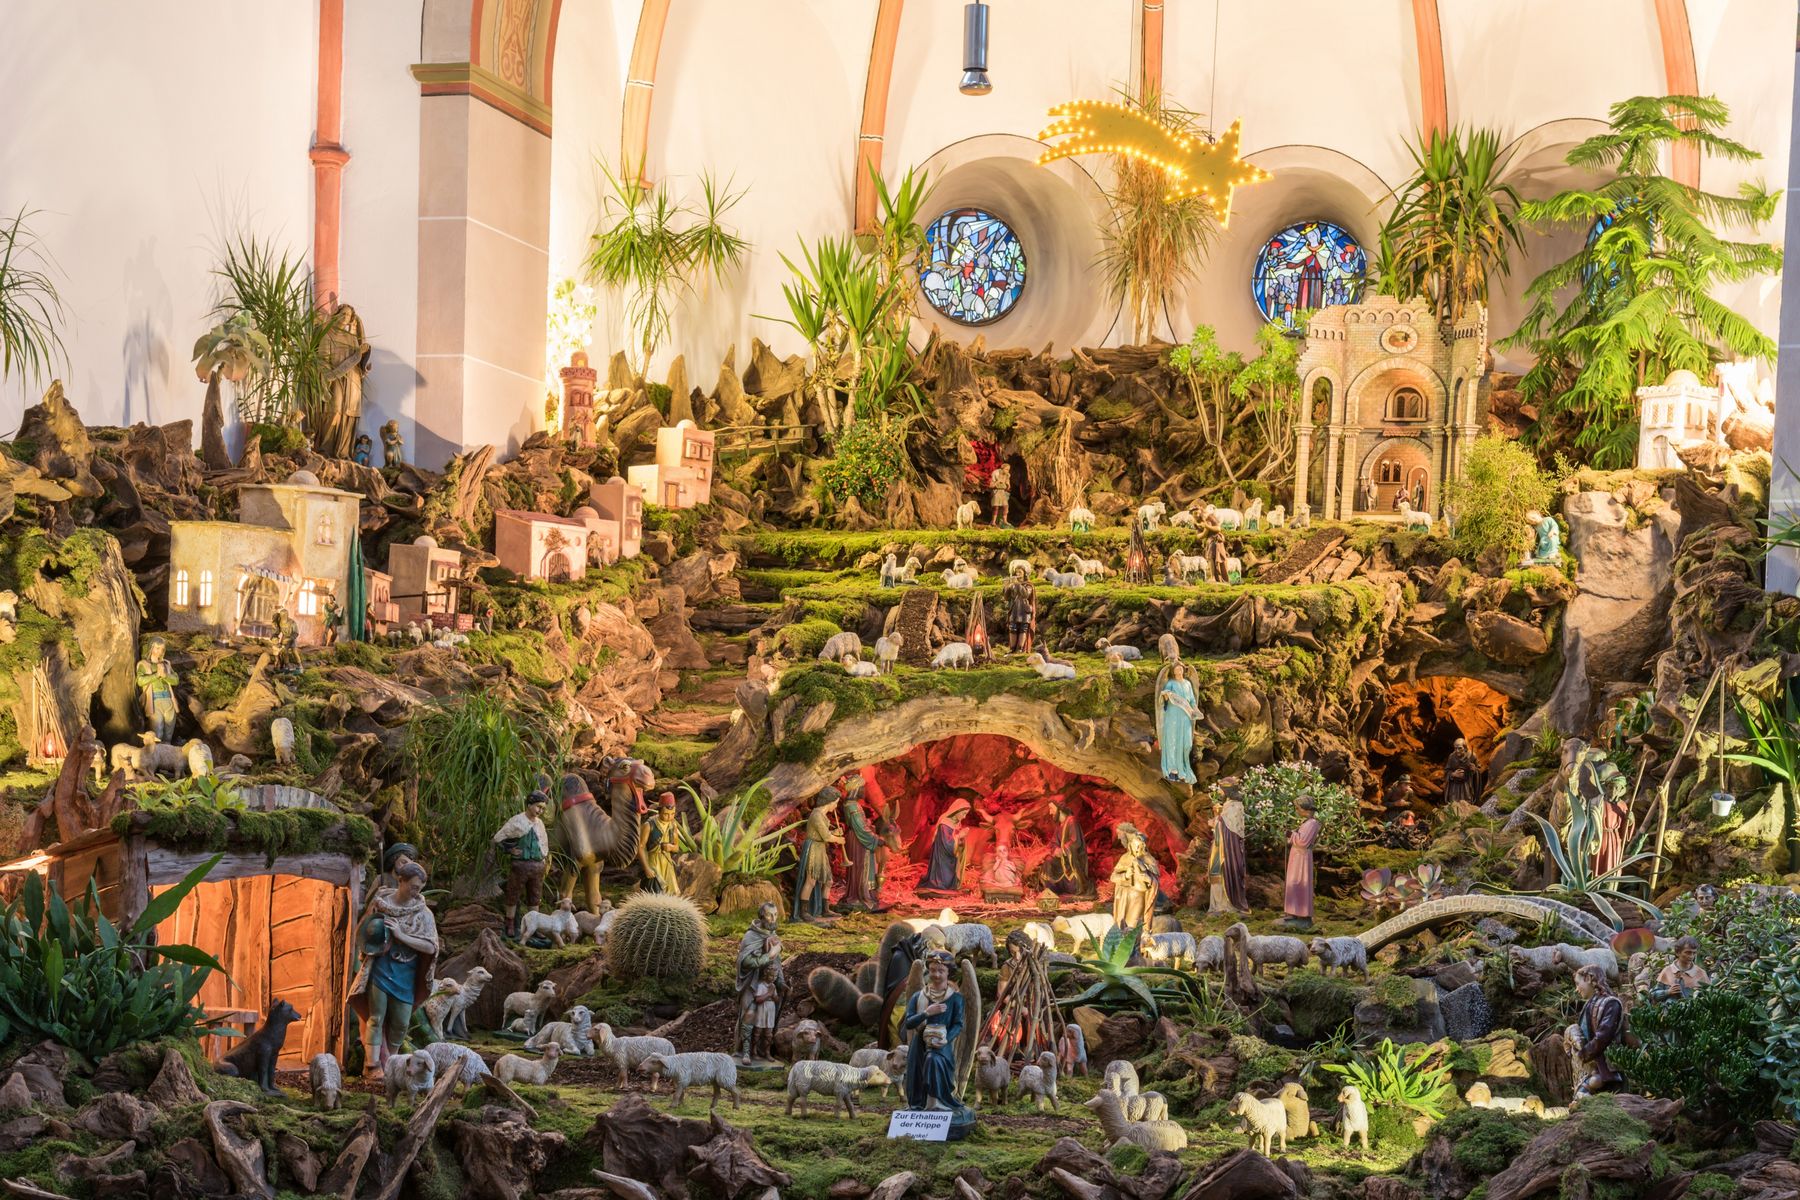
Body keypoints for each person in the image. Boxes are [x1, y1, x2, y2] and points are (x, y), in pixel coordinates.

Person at [349, 860, 438, 1072]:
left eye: (419, 889)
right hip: (381, 966)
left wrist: (401, 935)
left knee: (401, 1022)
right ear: (400, 880)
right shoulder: (380, 903)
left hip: (406, 971)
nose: (416, 893)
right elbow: (365, 931)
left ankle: (392, 1062)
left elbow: (430, 946)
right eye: (413, 887)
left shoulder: (423, 914)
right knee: (375, 1017)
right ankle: (372, 1065)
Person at [902, 950, 968, 1113]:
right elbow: (909, 1023)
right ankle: (920, 1104)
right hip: (920, 1044)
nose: (936, 975)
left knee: (933, 1060)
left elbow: (958, 1024)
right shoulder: (918, 996)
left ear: (948, 972)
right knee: (918, 1071)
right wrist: (926, 1013)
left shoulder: (956, 999)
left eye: (941, 971)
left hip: (941, 1044)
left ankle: (937, 1103)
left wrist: (946, 1039)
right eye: (932, 970)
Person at [493, 791, 550, 940]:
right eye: (538, 807)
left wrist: (543, 859)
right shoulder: (517, 821)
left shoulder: (540, 824)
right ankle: (510, 924)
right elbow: (499, 838)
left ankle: (534, 926)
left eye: (543, 808)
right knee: (513, 894)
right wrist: (510, 849)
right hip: (520, 865)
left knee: (535, 897)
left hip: (537, 866)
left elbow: (543, 843)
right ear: (529, 805)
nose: (540, 811)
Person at [734, 901, 784, 1063]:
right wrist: (770, 954)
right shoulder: (750, 936)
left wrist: (780, 982)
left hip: (768, 984)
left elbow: (777, 964)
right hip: (752, 984)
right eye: (769, 915)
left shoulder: (772, 935)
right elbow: (745, 961)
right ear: (762, 916)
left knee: (766, 1022)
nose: (773, 918)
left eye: (775, 915)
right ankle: (745, 1052)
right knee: (749, 1017)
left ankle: (763, 1051)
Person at [1568, 964, 1628, 1098]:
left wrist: (1583, 1054)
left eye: (1578, 983)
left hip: (1608, 1067)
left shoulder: (1611, 1003)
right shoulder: (1590, 1003)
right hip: (1591, 1065)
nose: (1577, 989)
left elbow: (1603, 1036)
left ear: (1589, 979)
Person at [792, 788, 844, 920]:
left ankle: (825, 909)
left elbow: (824, 833)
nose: (836, 806)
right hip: (814, 849)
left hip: (820, 848)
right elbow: (826, 837)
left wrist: (835, 833)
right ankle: (803, 911)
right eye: (835, 803)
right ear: (829, 801)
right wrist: (838, 839)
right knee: (811, 880)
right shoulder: (816, 815)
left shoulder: (822, 815)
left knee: (828, 881)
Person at [842, 780, 887, 912]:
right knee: (861, 866)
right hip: (858, 841)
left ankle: (868, 893)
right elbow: (860, 828)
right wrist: (876, 839)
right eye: (862, 788)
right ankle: (859, 895)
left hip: (861, 839)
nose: (864, 791)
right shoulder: (852, 806)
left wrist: (869, 826)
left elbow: (862, 825)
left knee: (867, 866)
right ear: (855, 789)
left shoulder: (855, 805)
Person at [1109, 823, 1160, 931]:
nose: (1137, 849)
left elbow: (1154, 880)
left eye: (1139, 846)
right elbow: (1113, 877)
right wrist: (1125, 876)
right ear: (1130, 846)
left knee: (1133, 925)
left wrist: (1145, 876)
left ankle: (1138, 940)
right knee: (1122, 926)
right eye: (1134, 846)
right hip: (1123, 897)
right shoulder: (1125, 858)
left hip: (1138, 896)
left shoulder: (1148, 860)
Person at [1207, 787, 1250, 915]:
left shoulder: (1234, 806)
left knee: (1226, 871)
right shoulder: (1228, 805)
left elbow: (1229, 829)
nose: (1219, 792)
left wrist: (1216, 820)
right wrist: (1217, 816)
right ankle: (1218, 905)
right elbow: (1223, 824)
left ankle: (1228, 905)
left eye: (1221, 789)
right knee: (1216, 872)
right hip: (1220, 845)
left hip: (1228, 848)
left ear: (1227, 790)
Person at [1281, 797, 1322, 932]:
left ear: (1305, 809)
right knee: (1293, 882)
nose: (1296, 810)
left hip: (1302, 858)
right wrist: (1291, 835)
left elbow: (1303, 842)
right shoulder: (1307, 823)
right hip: (1297, 856)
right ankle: (1293, 911)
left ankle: (1302, 915)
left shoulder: (1312, 823)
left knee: (1300, 883)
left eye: (1298, 808)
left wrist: (1291, 834)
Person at [1157, 662, 1199, 784]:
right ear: (1173, 671)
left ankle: (1183, 767)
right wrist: (1166, 695)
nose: (1178, 671)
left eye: (1180, 669)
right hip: (1173, 716)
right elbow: (1164, 699)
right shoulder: (1170, 683)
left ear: (1183, 670)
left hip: (1185, 716)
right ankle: (1173, 770)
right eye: (1176, 669)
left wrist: (1194, 709)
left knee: (1187, 744)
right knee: (1172, 741)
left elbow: (1192, 699)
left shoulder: (1187, 684)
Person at [135, 636, 180, 744]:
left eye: (162, 649)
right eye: (157, 648)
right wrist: (156, 675)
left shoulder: (166, 664)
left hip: (168, 700)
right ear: (151, 648)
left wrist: (165, 676)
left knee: (169, 731)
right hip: (154, 701)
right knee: (157, 731)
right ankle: (156, 751)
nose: (160, 651)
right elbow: (140, 681)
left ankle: (167, 750)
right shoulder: (143, 664)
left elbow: (176, 680)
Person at [1040, 806, 1091, 896]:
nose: (1050, 812)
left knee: (1073, 887)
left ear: (1059, 809)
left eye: (1052, 809)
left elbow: (1075, 841)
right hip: (1061, 860)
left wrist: (1062, 850)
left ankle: (1070, 886)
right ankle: (1052, 890)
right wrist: (1055, 849)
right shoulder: (1059, 826)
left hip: (1071, 862)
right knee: (1048, 861)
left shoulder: (1072, 821)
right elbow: (1053, 843)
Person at [922, 798, 969, 893]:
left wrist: (961, 841)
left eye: (966, 814)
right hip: (942, 859)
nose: (964, 817)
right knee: (945, 880)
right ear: (957, 811)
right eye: (963, 814)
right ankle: (939, 886)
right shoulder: (945, 824)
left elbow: (956, 844)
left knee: (950, 877)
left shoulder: (956, 823)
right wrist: (959, 836)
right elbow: (947, 844)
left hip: (951, 859)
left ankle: (951, 886)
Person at [639, 792, 682, 894]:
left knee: (673, 892)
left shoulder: (673, 825)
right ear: (659, 811)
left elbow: (676, 847)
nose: (669, 817)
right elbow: (640, 847)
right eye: (666, 814)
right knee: (656, 891)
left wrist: (670, 847)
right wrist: (646, 868)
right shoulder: (649, 825)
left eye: (672, 814)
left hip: (667, 862)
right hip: (653, 862)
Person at [1002, 566, 1036, 655]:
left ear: (1024, 574)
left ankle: (1020, 649)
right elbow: (1006, 598)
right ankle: (1012, 649)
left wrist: (1017, 584)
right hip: (1014, 610)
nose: (1018, 574)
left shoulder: (1028, 585)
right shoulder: (1013, 585)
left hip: (1024, 611)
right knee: (1012, 628)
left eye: (1020, 572)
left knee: (1023, 629)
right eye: (1016, 572)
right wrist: (1007, 587)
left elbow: (1026, 594)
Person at [1443, 738, 1482, 807]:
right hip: (1454, 787)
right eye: (1455, 748)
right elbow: (1446, 771)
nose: (1457, 751)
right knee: (1454, 806)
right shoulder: (1451, 757)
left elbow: (1479, 770)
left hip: (1467, 786)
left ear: (1465, 748)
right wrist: (1453, 774)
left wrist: (1474, 769)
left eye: (1460, 748)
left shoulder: (1472, 756)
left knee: (1467, 805)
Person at [990, 463, 1012, 528]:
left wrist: (1008, 485)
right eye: (1006, 469)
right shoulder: (996, 474)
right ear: (1002, 469)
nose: (1007, 471)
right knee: (996, 507)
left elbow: (1007, 484)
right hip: (996, 491)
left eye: (1008, 470)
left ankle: (1005, 521)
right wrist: (998, 481)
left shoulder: (1007, 475)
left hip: (1002, 492)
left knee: (1005, 506)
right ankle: (993, 522)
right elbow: (991, 485)